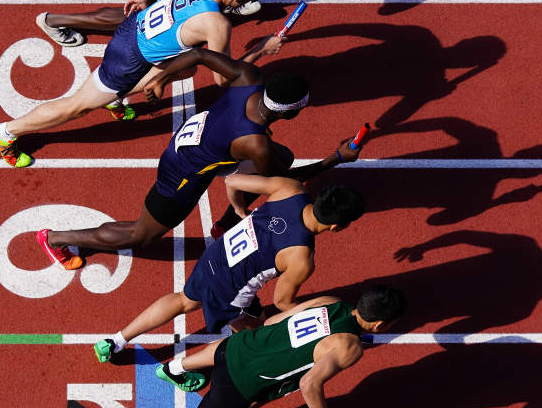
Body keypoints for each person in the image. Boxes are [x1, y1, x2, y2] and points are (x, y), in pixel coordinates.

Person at [35, 48, 363, 268]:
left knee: (281, 155)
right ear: (289, 114)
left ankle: (228, 220)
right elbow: (280, 184)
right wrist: (335, 158)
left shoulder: (248, 78)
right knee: (142, 235)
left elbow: (199, 53)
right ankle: (54, 239)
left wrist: (161, 76)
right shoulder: (256, 144)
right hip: (184, 174)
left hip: (193, 143)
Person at [76, 285, 407, 408]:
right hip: (241, 383)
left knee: (252, 391)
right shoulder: (350, 347)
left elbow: (279, 320)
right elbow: (309, 385)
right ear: (379, 324)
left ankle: (178, 370)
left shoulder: (331, 302)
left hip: (238, 346)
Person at [0, 0, 273, 172]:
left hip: (134, 29)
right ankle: (7, 132)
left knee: (186, 68)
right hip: (129, 59)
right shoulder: (217, 24)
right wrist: (261, 49)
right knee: (77, 106)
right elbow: (223, 79)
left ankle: (116, 98)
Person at [92, 177, 366, 359]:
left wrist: (238, 209)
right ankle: (179, 368)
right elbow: (282, 302)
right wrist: (324, 307)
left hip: (216, 255)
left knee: (184, 301)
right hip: (229, 289)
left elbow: (233, 179)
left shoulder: (290, 189)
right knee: (256, 334)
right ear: (336, 227)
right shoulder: (301, 258)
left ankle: (116, 340)